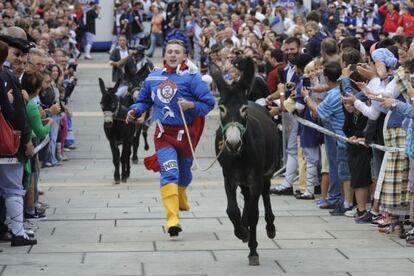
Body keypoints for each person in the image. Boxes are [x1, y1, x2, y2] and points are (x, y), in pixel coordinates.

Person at [126, 39, 215, 237]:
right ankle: (172, 219)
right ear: (164, 55)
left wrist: (192, 106)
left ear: (184, 56)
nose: (173, 55)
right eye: (169, 52)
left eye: (177, 52)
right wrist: (134, 111)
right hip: (163, 134)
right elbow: (143, 100)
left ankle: (181, 193)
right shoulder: (154, 77)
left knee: (184, 176)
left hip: (186, 135)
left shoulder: (192, 78)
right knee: (169, 172)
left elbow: (209, 103)